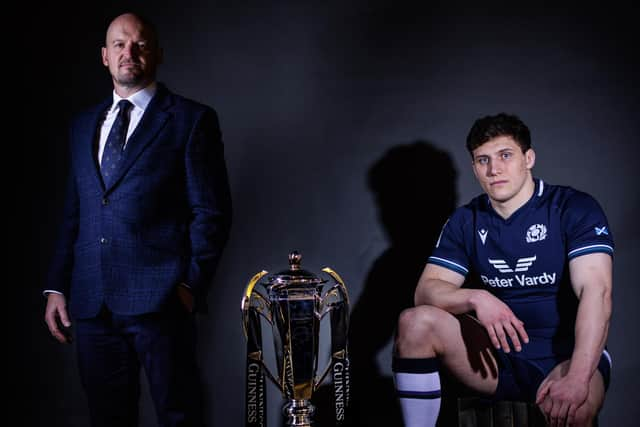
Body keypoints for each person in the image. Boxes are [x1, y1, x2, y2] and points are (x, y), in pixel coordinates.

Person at [43, 12, 232, 427]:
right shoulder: (81, 127)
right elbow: (75, 211)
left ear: (157, 54)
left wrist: (189, 285)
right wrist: (57, 285)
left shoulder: (190, 119)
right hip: (92, 303)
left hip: (161, 300)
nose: (129, 52)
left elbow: (211, 212)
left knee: (179, 414)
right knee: (107, 417)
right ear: (105, 57)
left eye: (140, 44)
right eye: (119, 45)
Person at [392, 113, 613, 427]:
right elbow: (425, 292)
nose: (493, 169)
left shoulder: (571, 208)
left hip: (564, 355)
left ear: (529, 158)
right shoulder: (466, 220)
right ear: (474, 168)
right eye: (483, 160)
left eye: (505, 155)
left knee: (573, 413)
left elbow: (597, 292)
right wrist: (476, 298)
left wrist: (578, 377)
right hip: (498, 358)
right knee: (414, 323)